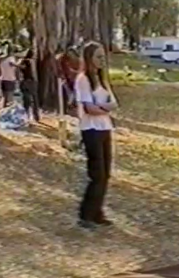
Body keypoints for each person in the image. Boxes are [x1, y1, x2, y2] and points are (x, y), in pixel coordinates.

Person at [75, 41, 118, 229]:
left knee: (106, 173)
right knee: (97, 174)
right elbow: (89, 108)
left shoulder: (102, 79)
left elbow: (114, 103)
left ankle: (97, 212)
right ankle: (86, 215)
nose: (102, 60)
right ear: (89, 59)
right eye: (98, 57)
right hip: (90, 129)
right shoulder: (83, 80)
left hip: (104, 128)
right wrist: (104, 108)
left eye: (103, 56)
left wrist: (102, 108)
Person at [57, 46, 81, 113]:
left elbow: (80, 70)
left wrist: (74, 72)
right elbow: (61, 69)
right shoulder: (63, 60)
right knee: (68, 92)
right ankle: (69, 105)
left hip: (75, 80)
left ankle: (73, 105)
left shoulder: (78, 60)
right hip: (66, 80)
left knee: (74, 92)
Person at [19, 49, 40, 121]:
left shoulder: (25, 61)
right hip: (33, 82)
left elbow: (21, 69)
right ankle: (36, 116)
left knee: (26, 99)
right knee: (35, 99)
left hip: (26, 81)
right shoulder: (33, 62)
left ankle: (27, 115)